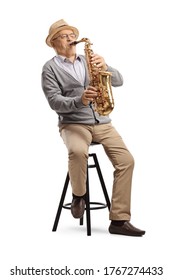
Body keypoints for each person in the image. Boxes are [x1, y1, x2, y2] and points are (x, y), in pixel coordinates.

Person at [41, 19, 145, 236]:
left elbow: (119, 81)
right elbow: (54, 101)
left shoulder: (89, 59)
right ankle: (79, 195)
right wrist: (81, 100)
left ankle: (118, 220)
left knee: (127, 161)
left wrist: (105, 67)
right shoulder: (49, 68)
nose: (70, 38)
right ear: (53, 42)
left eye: (71, 34)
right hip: (73, 123)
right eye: (64, 35)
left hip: (102, 122)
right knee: (78, 151)